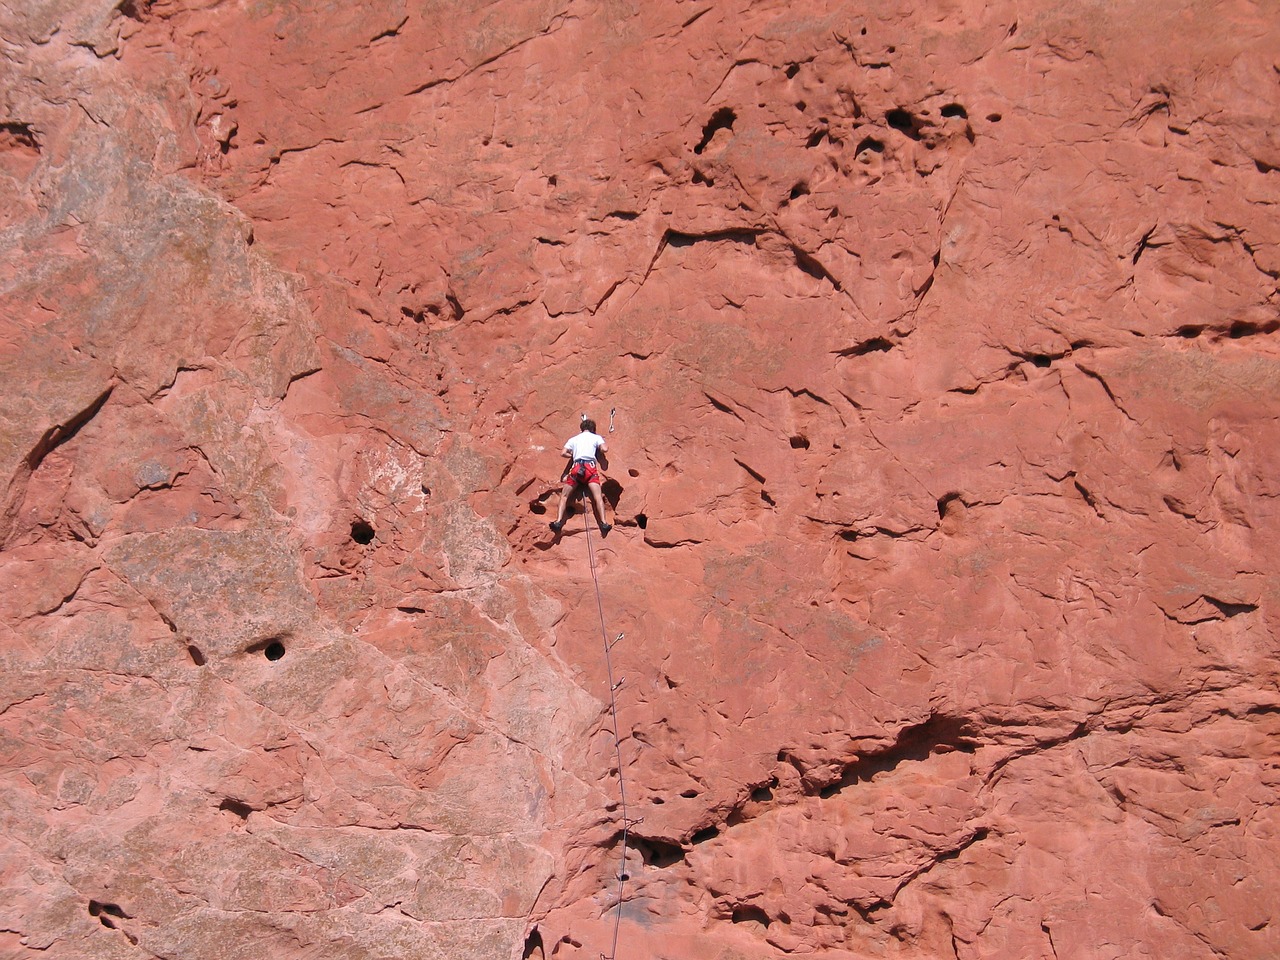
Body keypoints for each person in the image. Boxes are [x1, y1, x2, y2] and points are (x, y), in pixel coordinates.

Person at [550, 418, 612, 538]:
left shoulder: (574, 439)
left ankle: (558, 521)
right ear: (593, 429)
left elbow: (563, 453)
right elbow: (605, 449)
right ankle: (604, 523)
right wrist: (598, 451)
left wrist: (573, 454)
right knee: (597, 497)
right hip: (590, 468)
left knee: (564, 496)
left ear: (582, 428)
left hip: (577, 468)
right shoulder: (596, 437)